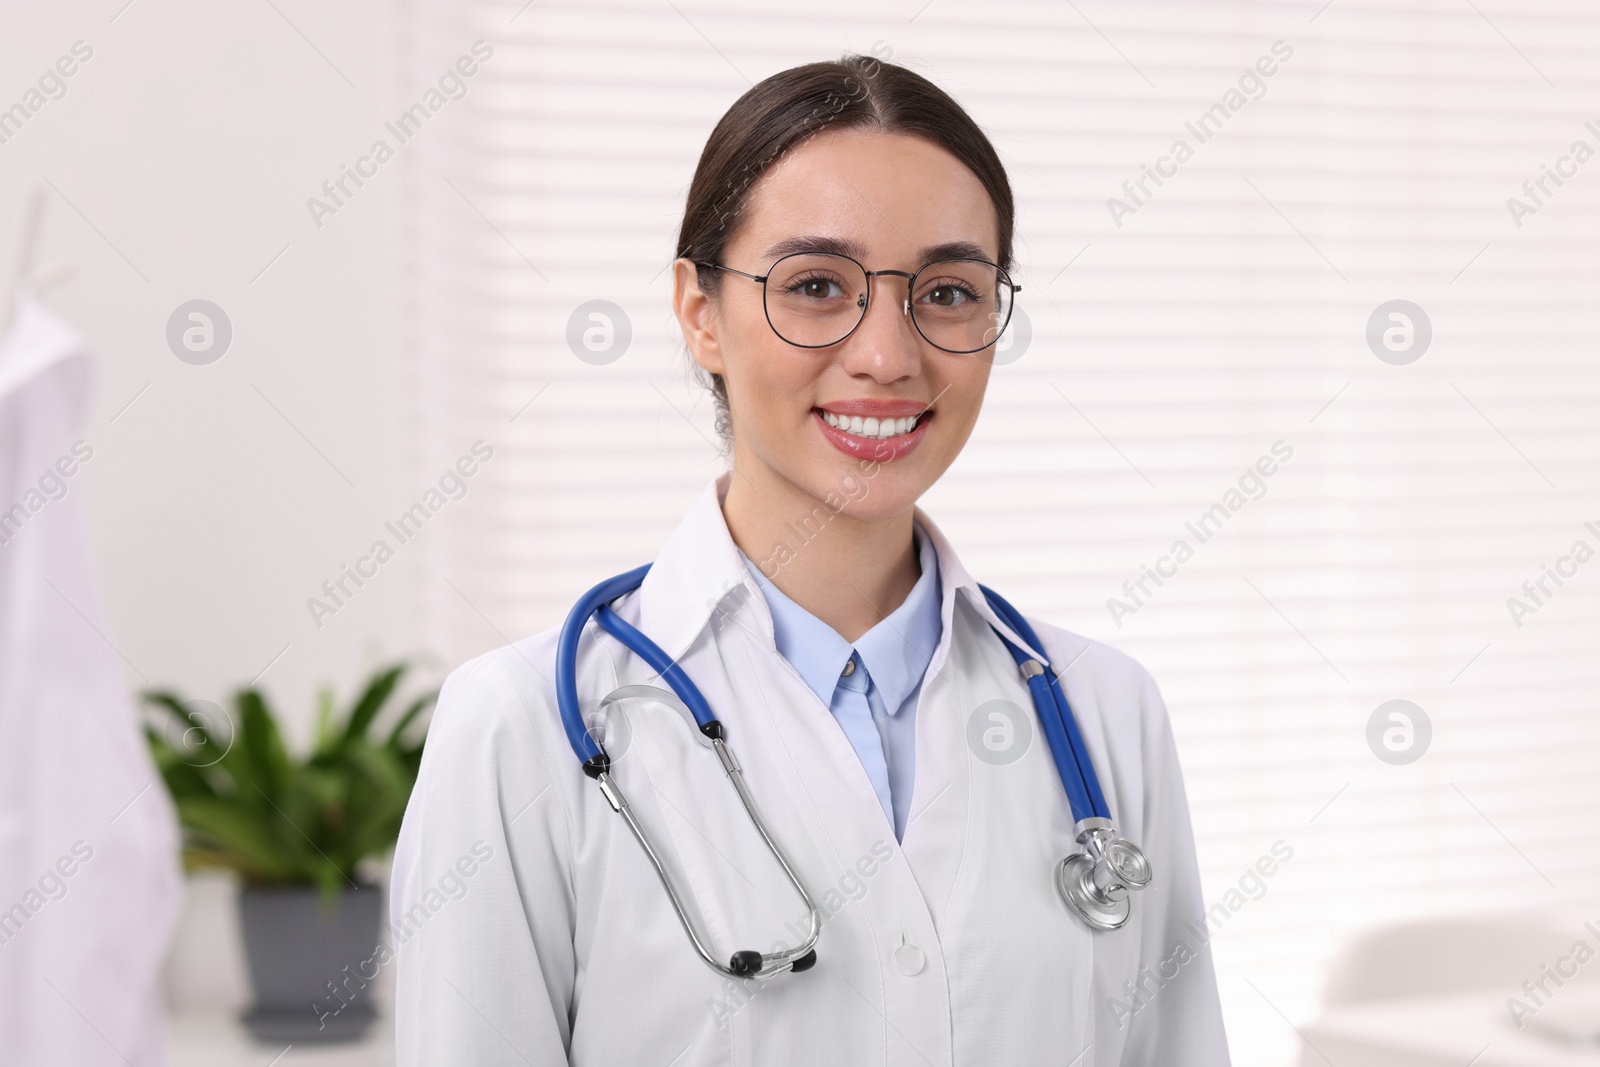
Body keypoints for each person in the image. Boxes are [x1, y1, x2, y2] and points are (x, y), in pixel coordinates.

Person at [392, 53, 1230, 1065]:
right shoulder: (522, 725)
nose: (889, 353)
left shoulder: (1103, 713)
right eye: (818, 285)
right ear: (700, 312)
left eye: (949, 291)